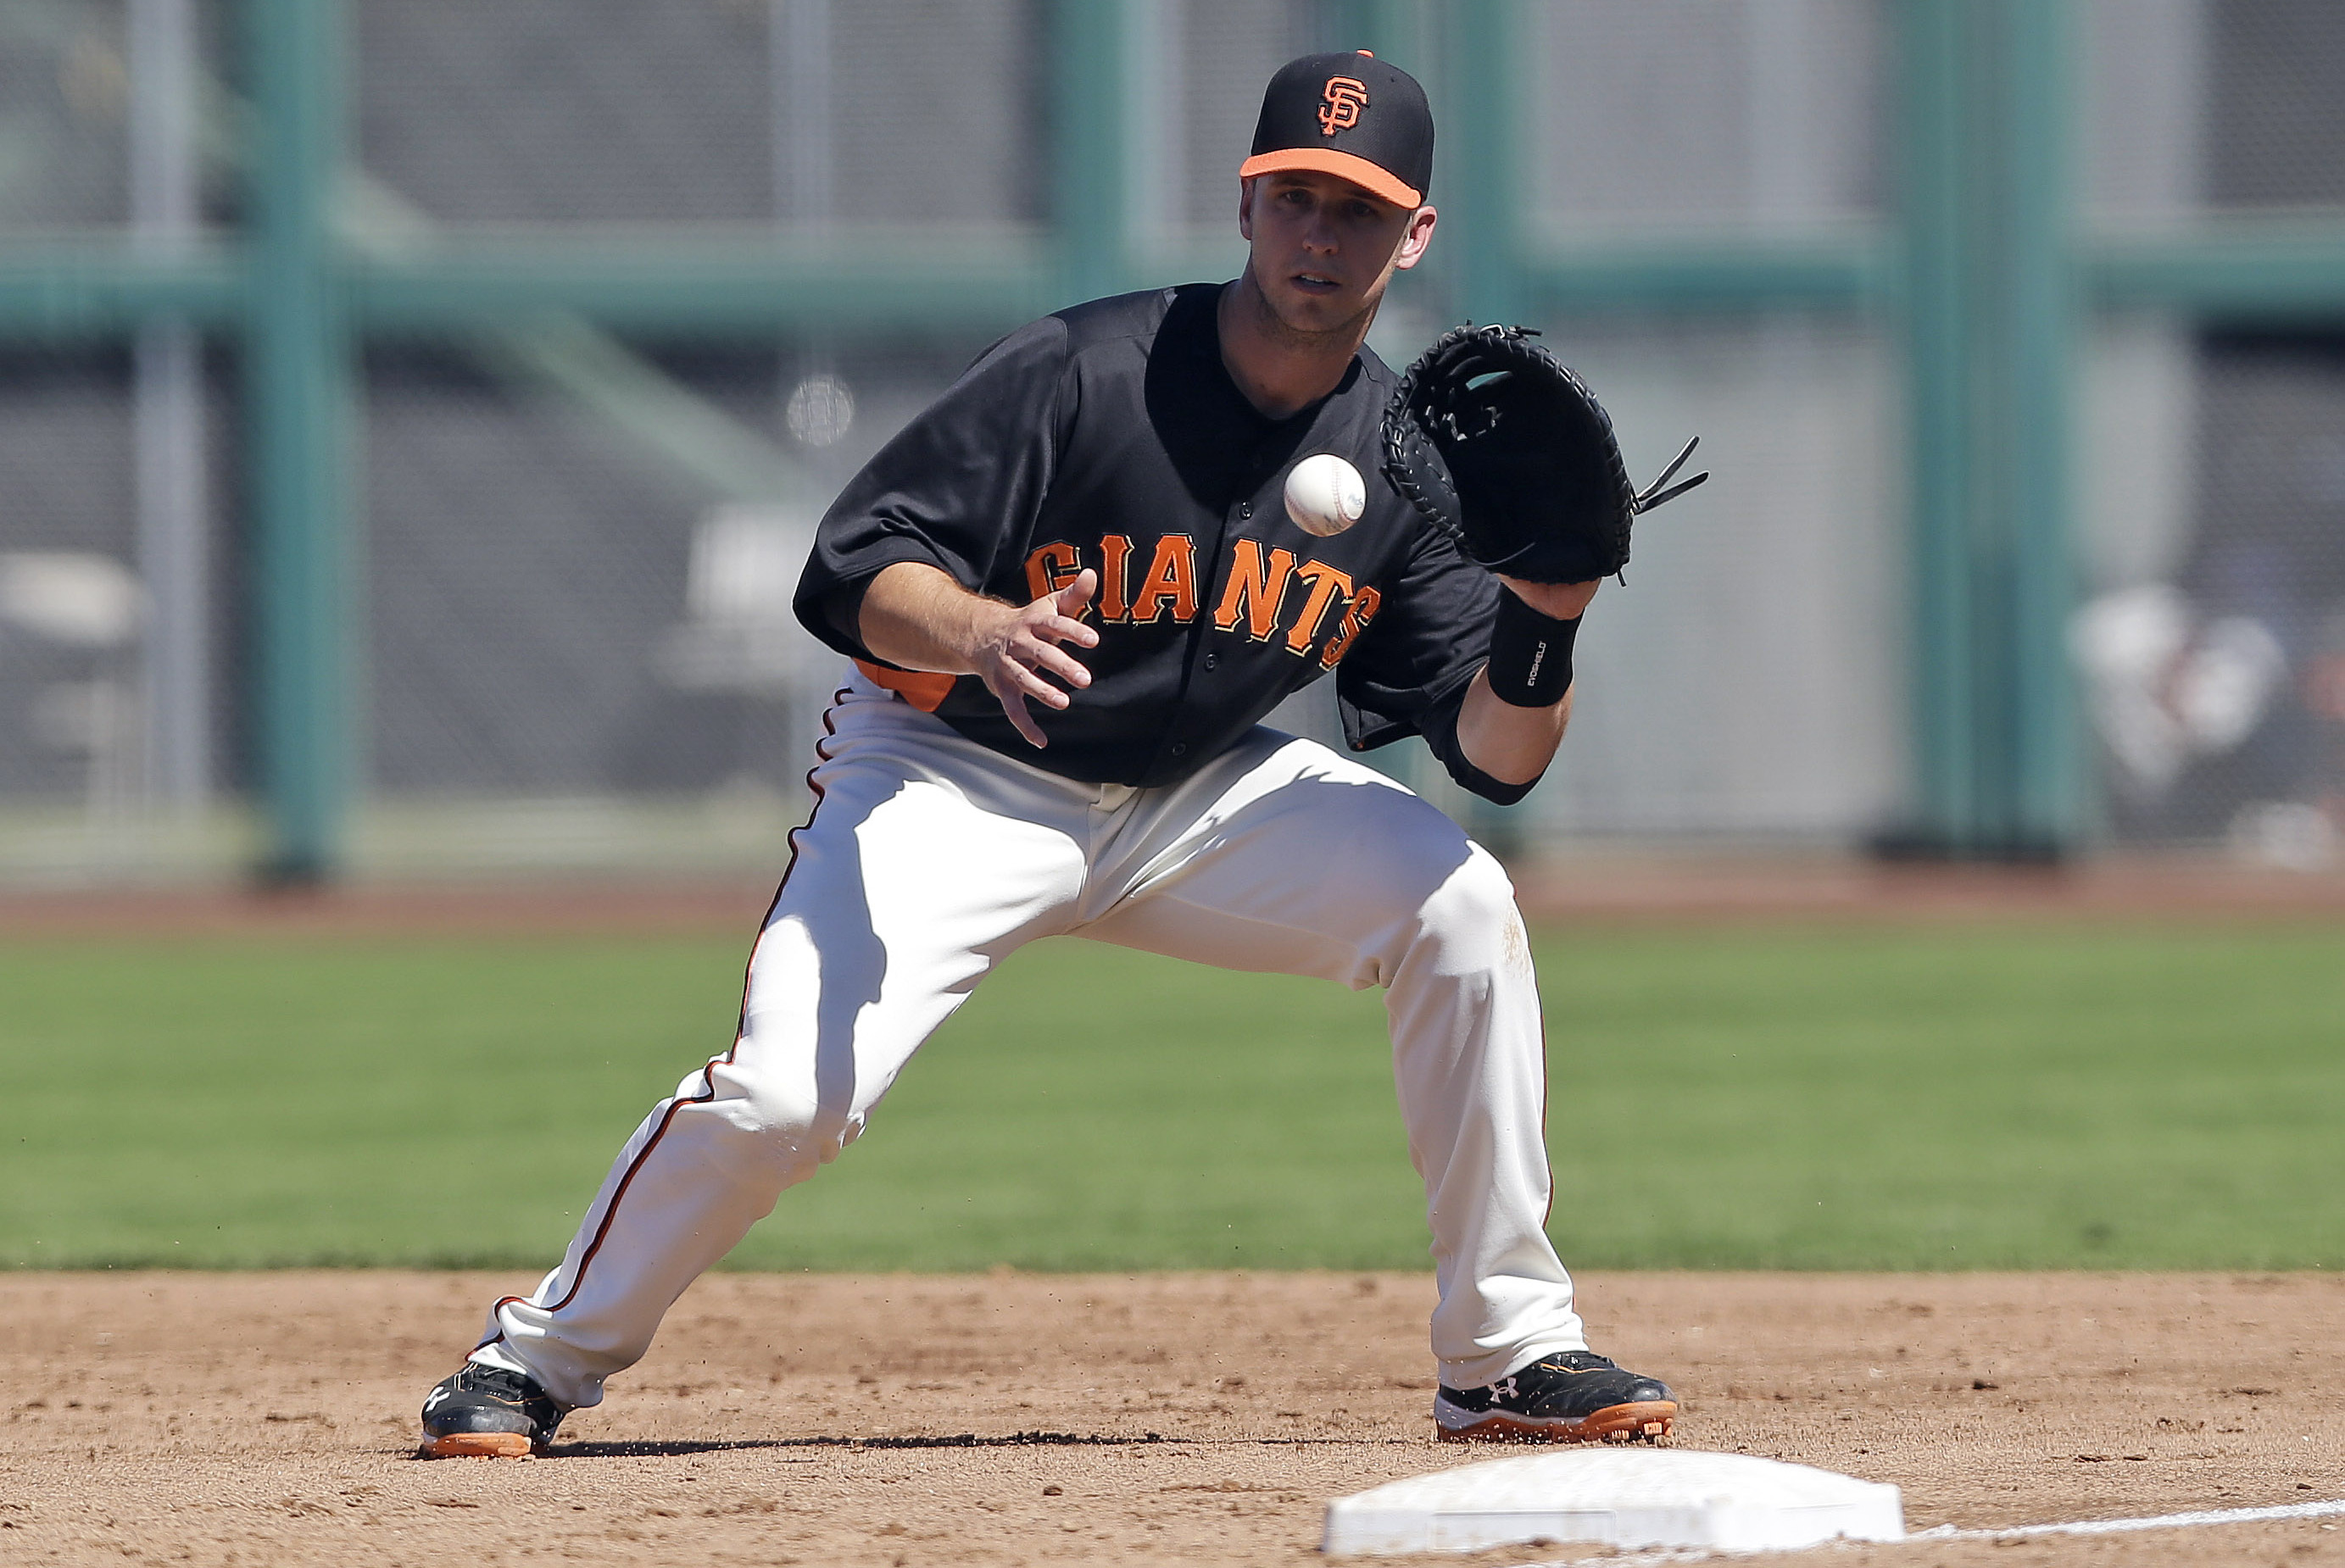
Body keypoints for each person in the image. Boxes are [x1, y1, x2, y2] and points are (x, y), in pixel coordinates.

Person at [420, 49, 1676, 1458]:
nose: (1322, 236)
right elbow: (854, 570)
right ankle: (532, 1358)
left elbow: (1497, 756)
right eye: (1296, 198)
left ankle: (1505, 1353)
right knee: (788, 1099)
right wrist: (979, 628)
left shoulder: (1406, 460)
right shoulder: (1087, 371)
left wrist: (1546, 620)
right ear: (1246, 203)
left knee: (1461, 903)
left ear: (1414, 233)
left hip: (1198, 795)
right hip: (955, 768)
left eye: (1359, 210)